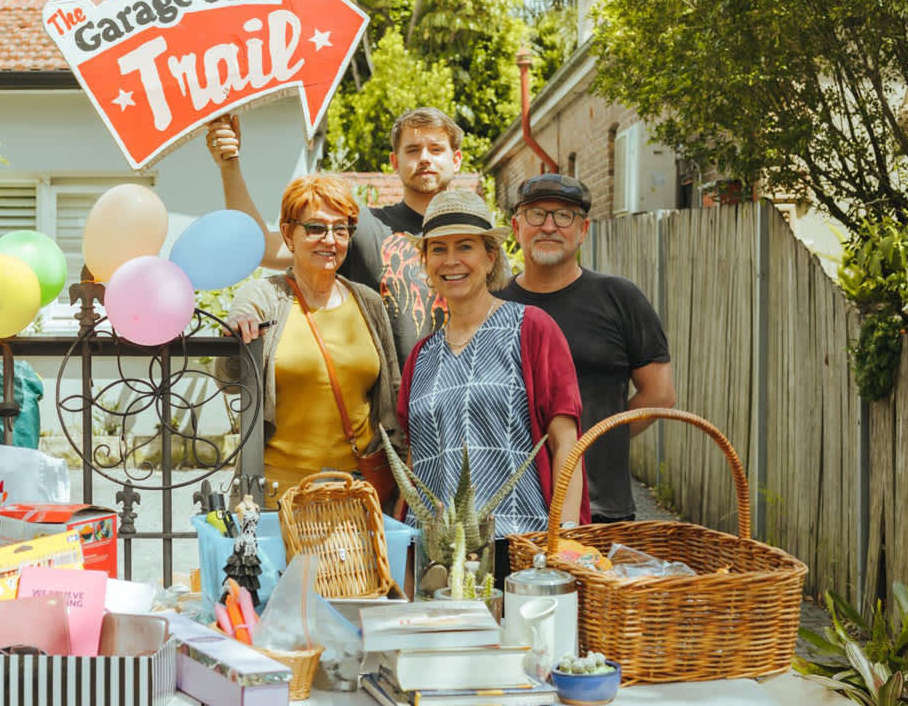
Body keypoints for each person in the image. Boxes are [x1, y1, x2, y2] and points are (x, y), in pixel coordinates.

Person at [397, 190, 590, 584]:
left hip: (520, 549)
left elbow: (566, 444)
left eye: (465, 246)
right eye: (438, 250)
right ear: (426, 262)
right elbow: (415, 468)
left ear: (490, 257)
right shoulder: (421, 355)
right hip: (438, 561)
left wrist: (566, 542)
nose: (451, 261)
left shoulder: (531, 328)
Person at [206, 107, 463, 366]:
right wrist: (229, 166)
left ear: (457, 159)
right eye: (413, 149)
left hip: (466, 398)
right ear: (394, 162)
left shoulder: (476, 237)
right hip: (388, 401)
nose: (425, 158)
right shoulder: (361, 227)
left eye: (436, 149)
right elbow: (263, 248)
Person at [496, 174, 676, 523]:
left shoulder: (619, 299)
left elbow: (660, 394)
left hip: (601, 508)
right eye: (536, 215)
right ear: (517, 227)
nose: (549, 226)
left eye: (564, 215)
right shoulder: (495, 307)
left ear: (584, 229)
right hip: (514, 511)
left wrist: (595, 440)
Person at [217, 174, 403, 507]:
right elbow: (231, 382)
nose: (329, 240)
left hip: (354, 495)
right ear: (289, 234)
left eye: (341, 229)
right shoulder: (264, 296)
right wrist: (235, 335)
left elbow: (391, 390)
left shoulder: (367, 302)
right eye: (315, 228)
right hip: (276, 497)